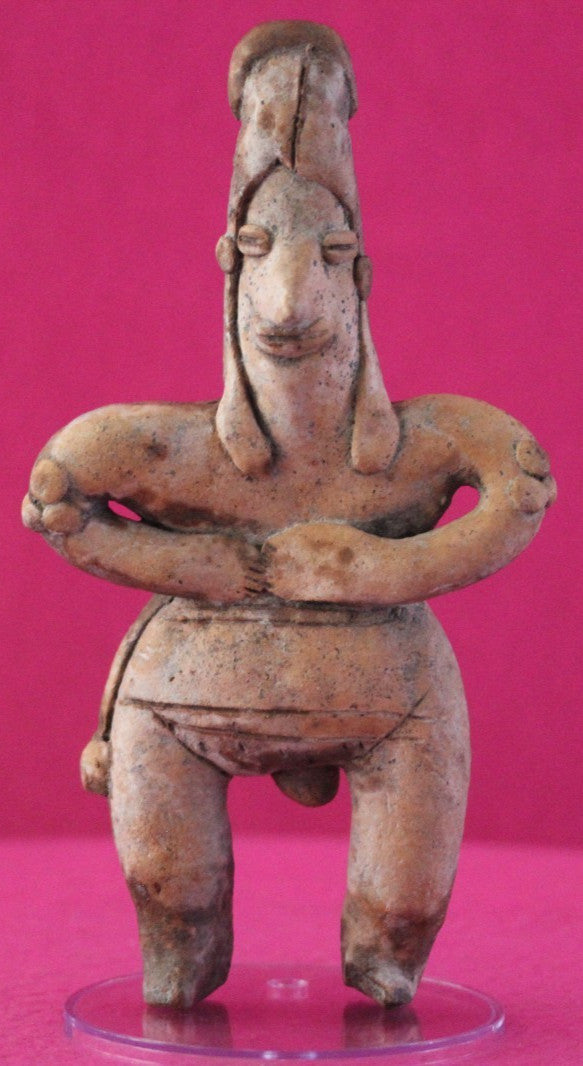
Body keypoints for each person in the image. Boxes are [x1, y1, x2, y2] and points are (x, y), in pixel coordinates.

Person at [23, 21, 555, 1009]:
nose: (288, 303)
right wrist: (217, 571)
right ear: (228, 266)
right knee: (172, 903)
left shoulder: (419, 443)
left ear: (360, 274)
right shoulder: (172, 447)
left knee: (396, 922)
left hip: (393, 703)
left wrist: (375, 569)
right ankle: (180, 953)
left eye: (330, 254)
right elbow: (55, 499)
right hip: (185, 705)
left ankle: (386, 955)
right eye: (259, 251)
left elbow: (519, 486)